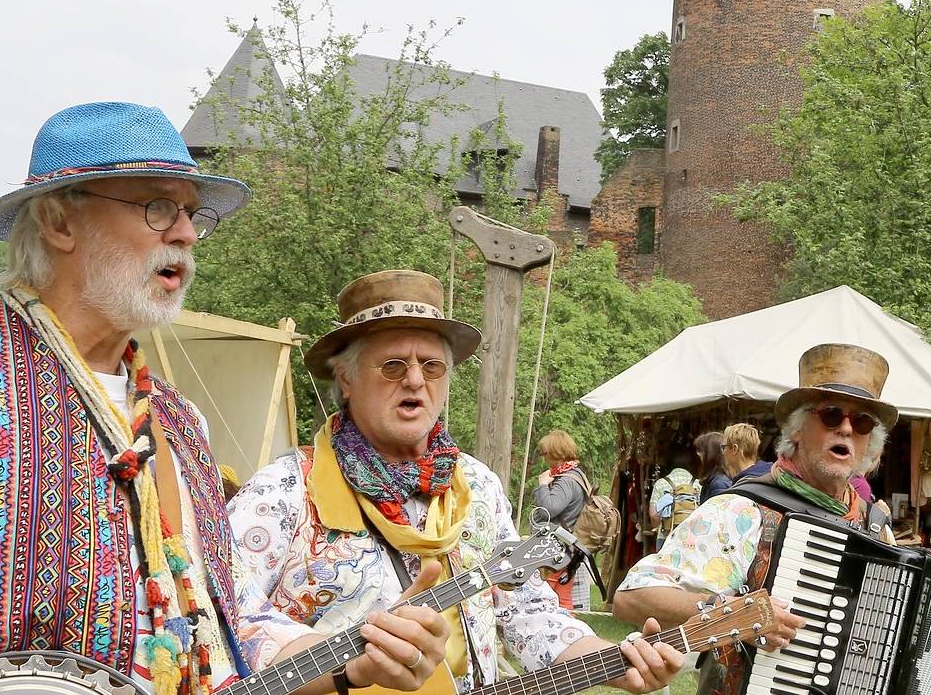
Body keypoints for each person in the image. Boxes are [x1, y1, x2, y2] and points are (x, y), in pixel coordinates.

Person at [0, 103, 297, 695]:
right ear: (60, 221)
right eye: (157, 206)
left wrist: (348, 650)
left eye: (192, 212)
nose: (187, 234)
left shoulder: (179, 422)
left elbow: (223, 629)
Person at [227, 270, 684, 694]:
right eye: (392, 366)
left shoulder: (477, 486)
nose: (413, 380)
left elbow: (525, 611)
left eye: (431, 366)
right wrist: (349, 663)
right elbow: (230, 623)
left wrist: (612, 660)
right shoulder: (284, 490)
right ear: (345, 378)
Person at [614, 343, 931, 695]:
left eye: (861, 423)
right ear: (797, 429)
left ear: (868, 445)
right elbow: (631, 599)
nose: (846, 428)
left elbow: (891, 660)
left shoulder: (875, 530)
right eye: (831, 415)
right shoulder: (742, 512)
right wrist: (733, 614)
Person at [533, 429, 595, 610]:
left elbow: (548, 510)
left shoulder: (566, 480)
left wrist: (543, 485)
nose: (544, 458)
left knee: (547, 593)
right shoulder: (577, 474)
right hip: (568, 545)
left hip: (556, 547)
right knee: (563, 595)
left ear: (555, 453)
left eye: (545, 453)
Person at [695, 431, 734, 497]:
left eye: (701, 451)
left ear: (711, 454)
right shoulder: (714, 480)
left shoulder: (719, 484)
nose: (698, 454)